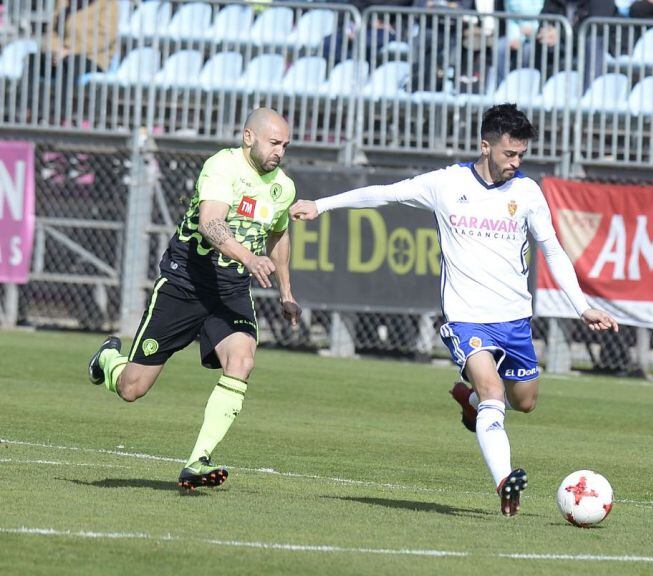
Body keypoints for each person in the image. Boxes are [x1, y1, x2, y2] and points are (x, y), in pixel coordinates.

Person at [290, 104, 618, 516]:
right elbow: (385, 193)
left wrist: (582, 306)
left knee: (526, 401)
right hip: (466, 318)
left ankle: (471, 404)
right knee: (494, 393)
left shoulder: (527, 192)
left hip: (515, 320)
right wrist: (321, 205)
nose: (516, 164)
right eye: (509, 155)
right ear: (486, 146)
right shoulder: (446, 184)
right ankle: (504, 482)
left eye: (521, 156)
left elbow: (551, 248)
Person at [87, 108, 302, 490]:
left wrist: (286, 292)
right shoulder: (222, 167)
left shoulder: (282, 187)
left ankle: (197, 461)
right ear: (248, 137)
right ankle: (108, 360)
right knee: (132, 388)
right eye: (274, 143)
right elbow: (211, 223)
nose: (280, 152)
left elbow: (279, 234)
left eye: (285, 145)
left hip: (231, 290)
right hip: (185, 283)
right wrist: (249, 257)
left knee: (242, 360)